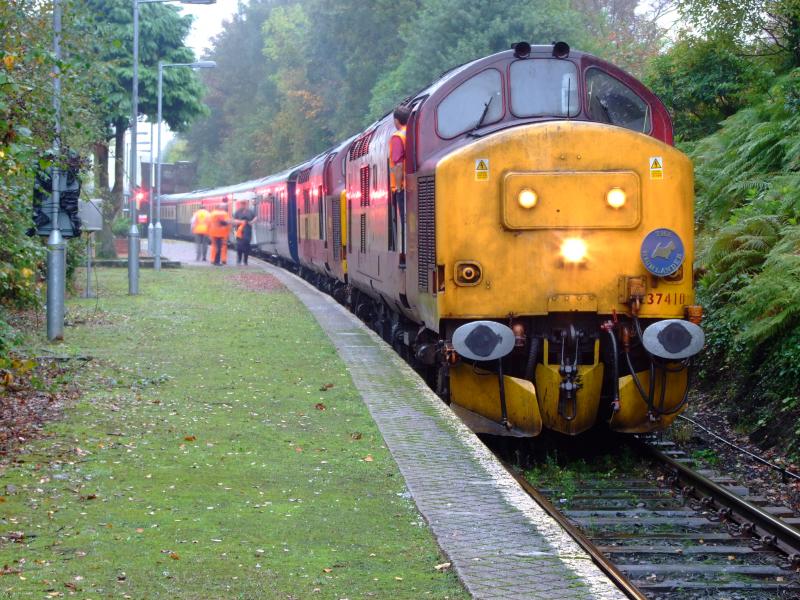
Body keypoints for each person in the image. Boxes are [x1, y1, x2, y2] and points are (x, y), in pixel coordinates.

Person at [389, 104, 411, 260]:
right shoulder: (412, 134)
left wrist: (398, 187)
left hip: (403, 186)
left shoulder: (398, 137)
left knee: (404, 222)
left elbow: (397, 164)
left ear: (396, 120)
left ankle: (405, 254)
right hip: (413, 184)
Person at [233, 200, 256, 266]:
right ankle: (239, 260)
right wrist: (240, 222)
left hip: (248, 232)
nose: (243, 205)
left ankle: (245, 261)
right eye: (242, 204)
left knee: (246, 247)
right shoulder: (237, 212)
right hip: (240, 232)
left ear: (246, 205)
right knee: (239, 246)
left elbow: (255, 217)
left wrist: (251, 222)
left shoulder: (250, 212)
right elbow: (234, 220)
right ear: (240, 204)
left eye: (244, 204)